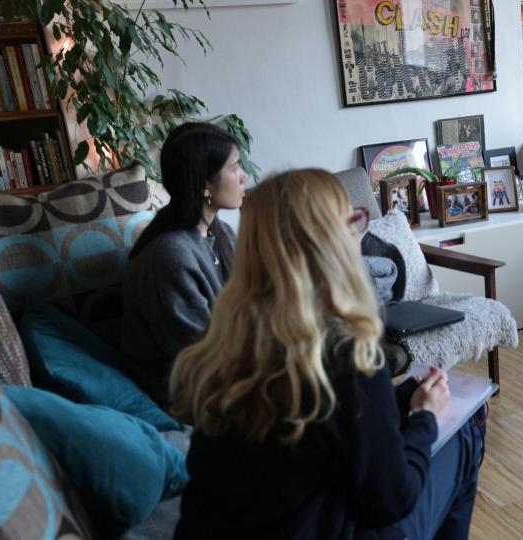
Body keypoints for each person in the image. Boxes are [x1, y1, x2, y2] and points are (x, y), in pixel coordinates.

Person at [170, 169, 485, 539]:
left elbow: (319, 430)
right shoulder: (345, 355)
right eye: (351, 220)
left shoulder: (222, 347)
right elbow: (391, 500)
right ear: (330, 244)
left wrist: (397, 399)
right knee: (469, 429)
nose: (358, 232)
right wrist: (423, 416)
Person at [121, 122, 247, 407]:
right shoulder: (171, 256)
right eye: (235, 168)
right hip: (189, 390)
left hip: (229, 368)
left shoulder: (220, 232)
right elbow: (202, 360)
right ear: (205, 184)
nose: (244, 176)